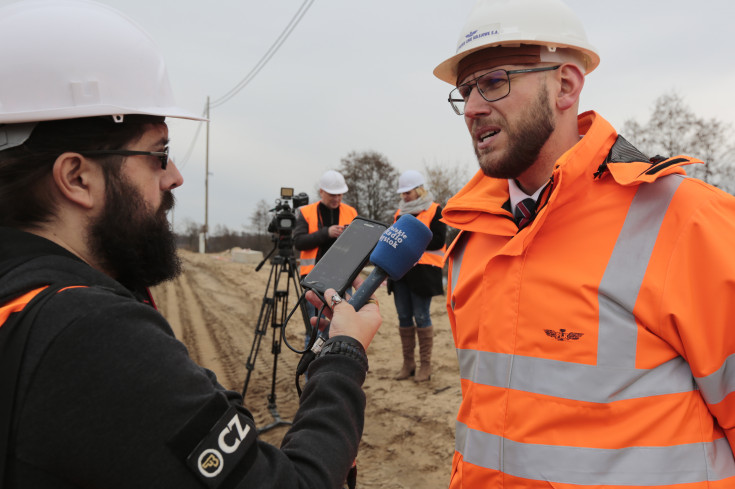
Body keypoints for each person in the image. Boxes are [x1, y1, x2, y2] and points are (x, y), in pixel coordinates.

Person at [0, 2, 381, 488]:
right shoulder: (90, 336)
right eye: (158, 155)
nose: (175, 177)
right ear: (77, 177)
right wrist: (341, 358)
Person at [434, 0, 735, 487]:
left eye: (493, 82)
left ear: (566, 85)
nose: (471, 108)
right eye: (465, 90)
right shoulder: (469, 237)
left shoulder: (687, 219)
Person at [388, 171, 446, 382]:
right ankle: (408, 364)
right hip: (400, 273)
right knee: (403, 317)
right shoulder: (399, 213)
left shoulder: (435, 209)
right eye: (402, 193)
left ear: (419, 190)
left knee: (421, 317)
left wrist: (410, 240)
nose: (404, 196)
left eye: (408, 192)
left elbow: (438, 240)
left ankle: (425, 366)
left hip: (423, 275)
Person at [293, 170, 358, 341]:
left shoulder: (351, 213)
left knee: (344, 324)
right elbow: (299, 241)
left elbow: (359, 244)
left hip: (343, 277)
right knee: (315, 325)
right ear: (321, 191)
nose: (336, 199)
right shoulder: (306, 212)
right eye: (332, 195)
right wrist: (326, 233)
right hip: (314, 278)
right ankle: (312, 366)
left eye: (340, 195)